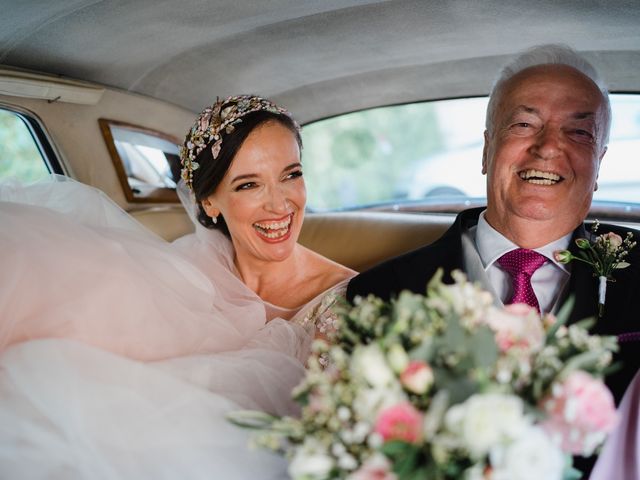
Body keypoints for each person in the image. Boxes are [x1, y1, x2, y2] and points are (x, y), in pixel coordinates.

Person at [0, 94, 355, 479]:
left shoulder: (347, 300)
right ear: (210, 203)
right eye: (249, 184)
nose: (279, 204)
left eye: (291, 174)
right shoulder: (186, 267)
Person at [347, 45, 640, 475]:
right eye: (524, 124)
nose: (547, 148)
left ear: (599, 164)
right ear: (487, 150)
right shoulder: (380, 294)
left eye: (578, 133)